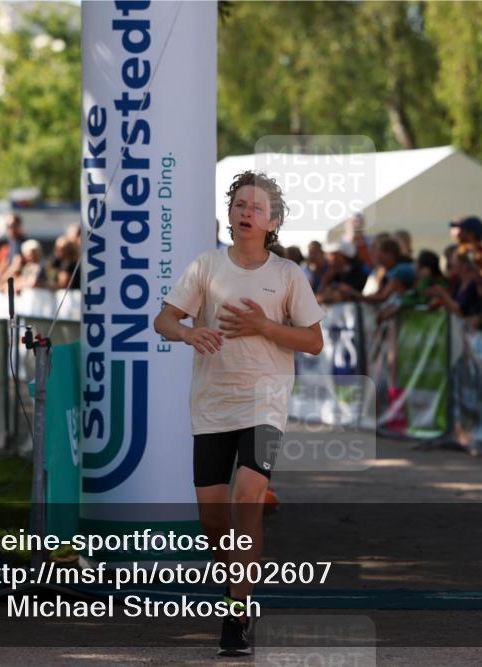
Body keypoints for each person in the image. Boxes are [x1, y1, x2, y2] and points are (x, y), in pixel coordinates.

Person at [154, 170, 324, 657]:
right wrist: (187, 333)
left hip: (267, 404)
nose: (247, 212)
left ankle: (236, 612)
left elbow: (313, 341)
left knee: (247, 500)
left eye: (257, 207)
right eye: (239, 205)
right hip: (211, 406)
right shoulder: (206, 266)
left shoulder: (288, 274)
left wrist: (264, 326)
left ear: (273, 221)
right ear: (229, 213)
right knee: (213, 518)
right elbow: (164, 318)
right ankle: (240, 586)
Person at [340, 238, 415, 305]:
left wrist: (353, 294)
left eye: (381, 258)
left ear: (389, 254)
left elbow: (382, 297)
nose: (380, 262)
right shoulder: (387, 270)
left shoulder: (401, 270)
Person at [0, 214, 26, 287]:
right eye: (8, 226)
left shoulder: (22, 244)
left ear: (19, 226)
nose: (10, 229)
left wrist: (0, 281)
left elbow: (16, 266)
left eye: (13, 226)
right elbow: (5, 264)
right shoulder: (12, 243)